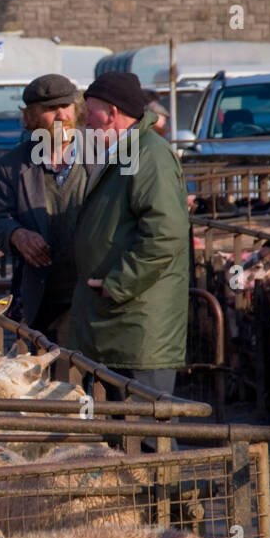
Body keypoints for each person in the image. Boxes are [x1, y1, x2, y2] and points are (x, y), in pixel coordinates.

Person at [68, 71, 190, 400]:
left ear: (111, 112)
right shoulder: (123, 154)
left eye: (89, 110)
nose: (84, 120)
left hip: (139, 325)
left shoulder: (150, 156)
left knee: (149, 431)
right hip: (120, 321)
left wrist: (118, 283)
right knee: (123, 431)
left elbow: (165, 234)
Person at [0, 74, 86, 341]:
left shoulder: (102, 157)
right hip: (42, 297)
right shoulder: (14, 164)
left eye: (66, 106)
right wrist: (16, 234)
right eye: (51, 109)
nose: (62, 116)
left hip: (92, 295)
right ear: (30, 118)